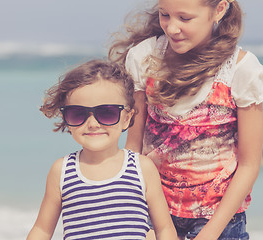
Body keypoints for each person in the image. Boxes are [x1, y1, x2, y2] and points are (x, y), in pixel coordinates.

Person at [108, 0, 263, 239]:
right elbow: (133, 148)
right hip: (154, 210)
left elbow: (249, 164)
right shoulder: (144, 57)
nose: (171, 28)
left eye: (185, 18)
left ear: (219, 10)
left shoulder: (242, 70)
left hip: (220, 220)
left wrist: (210, 233)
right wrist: (132, 210)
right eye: (165, 15)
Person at [27, 59, 177, 240]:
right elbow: (42, 230)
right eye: (78, 114)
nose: (92, 124)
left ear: (127, 118)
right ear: (66, 118)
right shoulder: (61, 171)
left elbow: (164, 229)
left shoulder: (142, 168)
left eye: (107, 113)